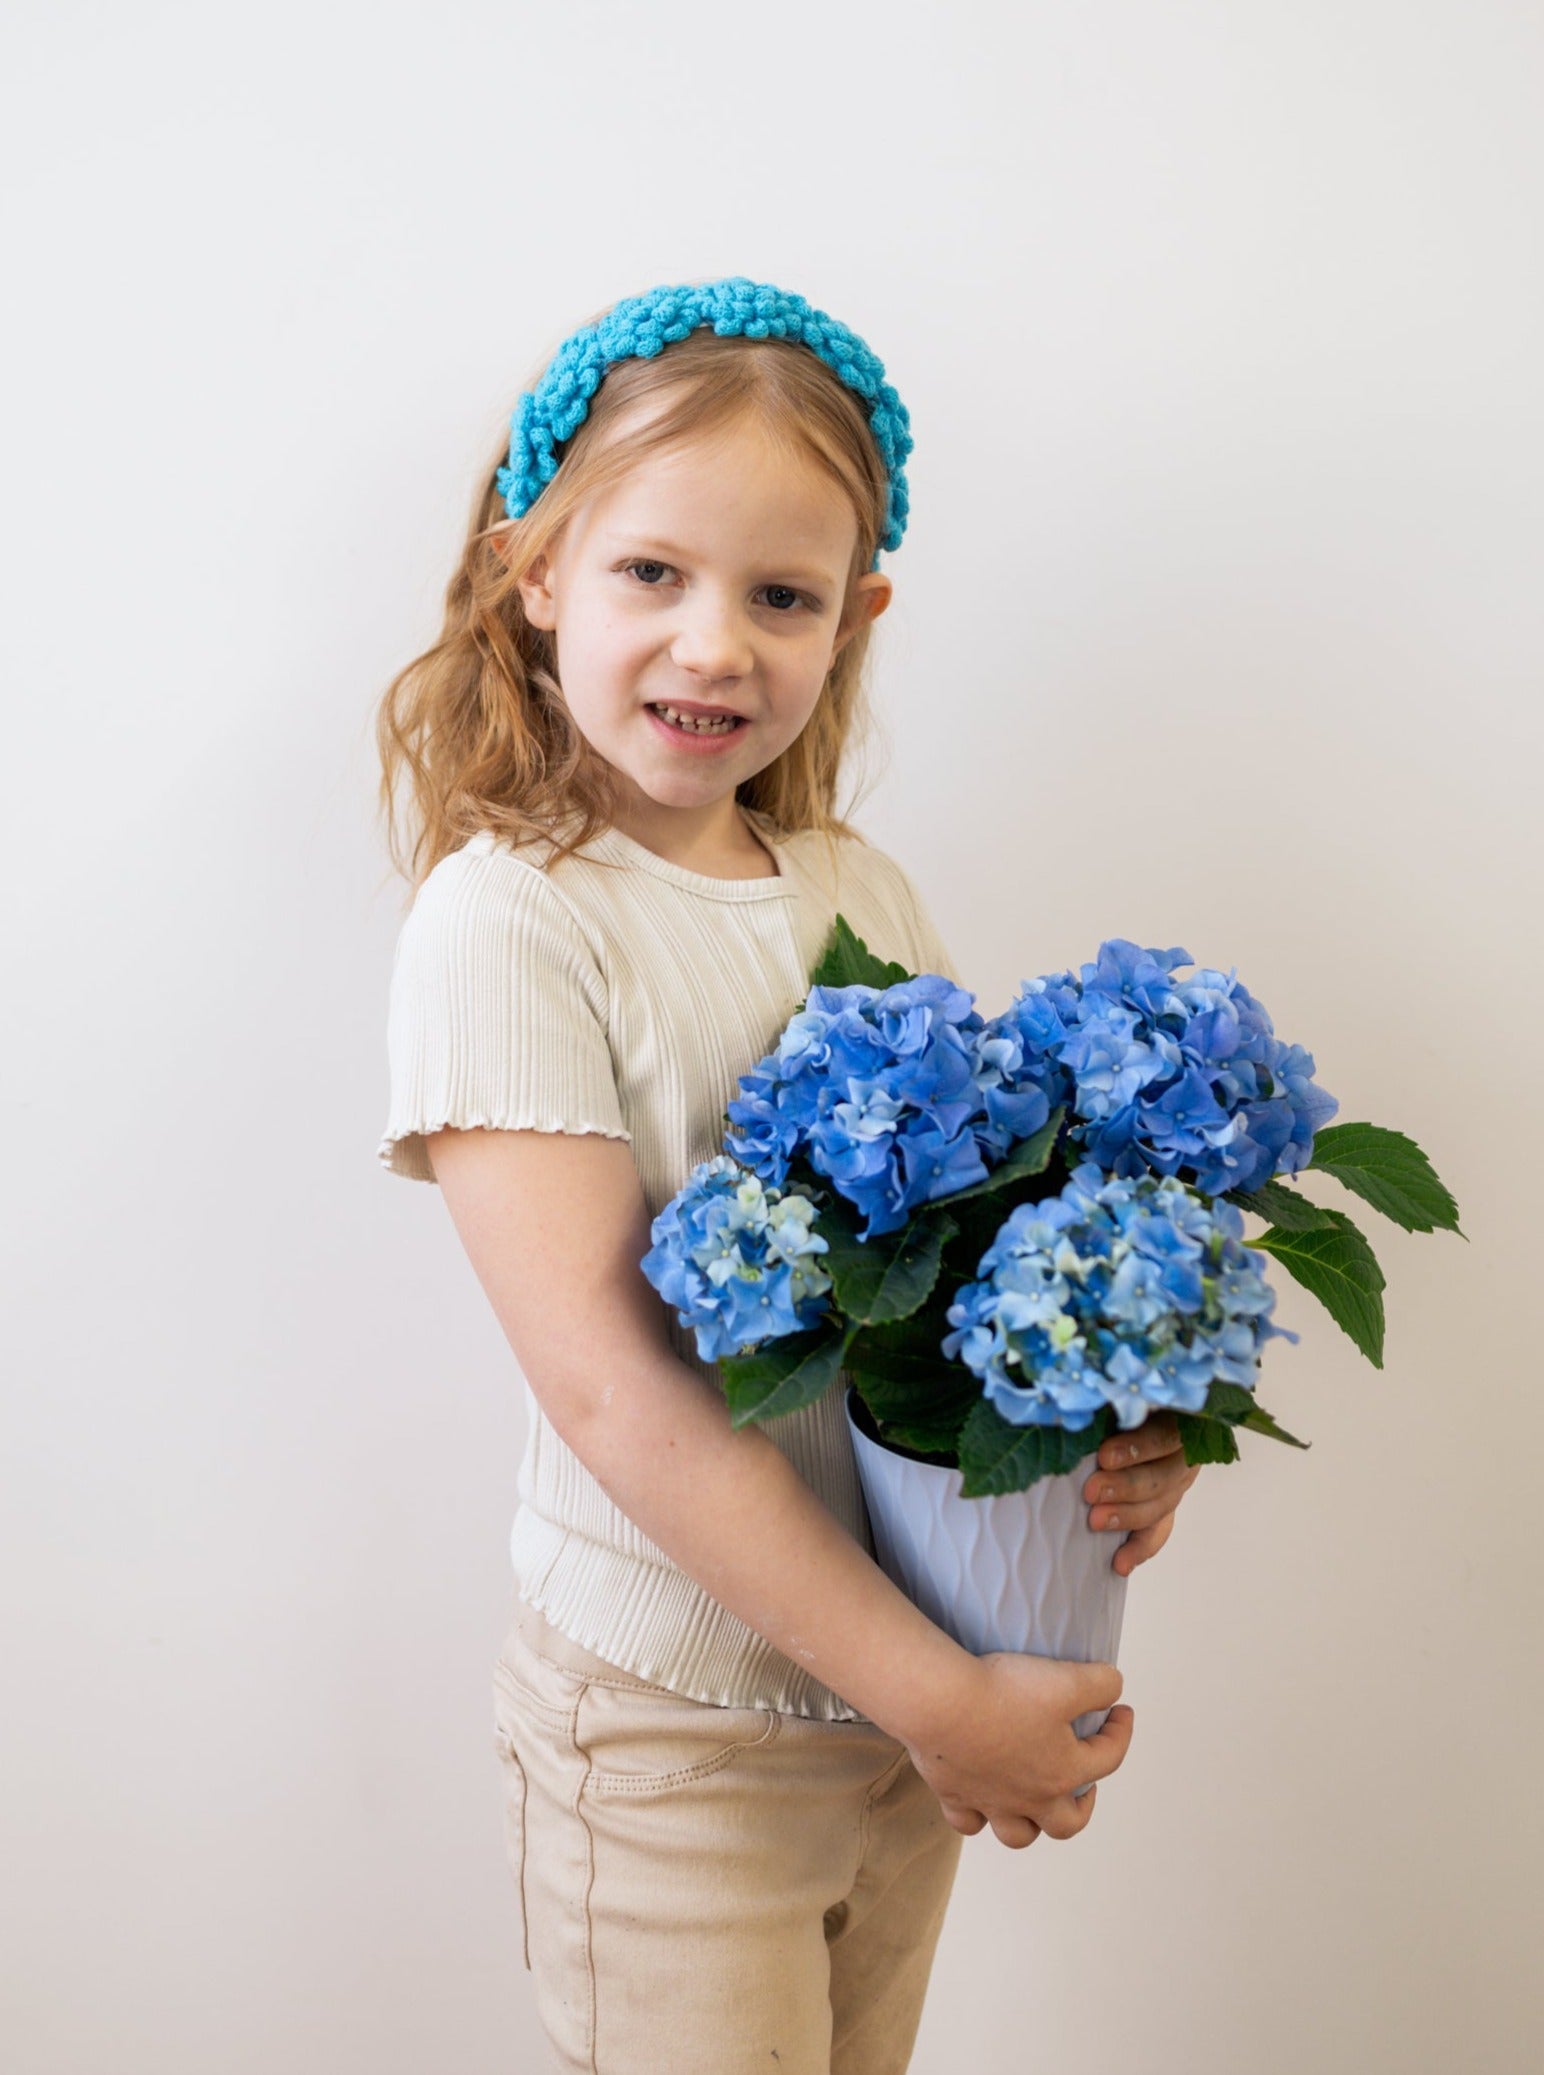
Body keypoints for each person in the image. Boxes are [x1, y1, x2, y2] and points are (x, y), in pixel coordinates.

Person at [372, 277, 1202, 2074]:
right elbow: (617, 1393)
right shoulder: (510, 920)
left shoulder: (855, 892)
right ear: (535, 573)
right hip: (674, 1724)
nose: (715, 644)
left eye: (781, 596)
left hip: (889, 1701)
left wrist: (1117, 1424)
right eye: (651, 572)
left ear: (856, 616)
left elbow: (980, 1269)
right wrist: (943, 1699)